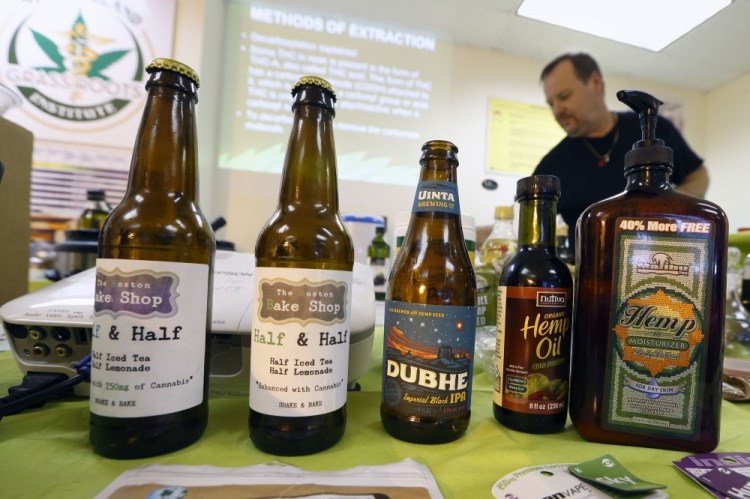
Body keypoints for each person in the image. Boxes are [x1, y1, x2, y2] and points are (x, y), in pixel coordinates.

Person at [533, 52, 709, 251]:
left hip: (656, 259)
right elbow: (520, 219)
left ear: (595, 83)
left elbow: (698, 175)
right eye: (551, 104)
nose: (557, 110)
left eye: (564, 97)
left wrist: (669, 206)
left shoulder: (652, 129)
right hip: (589, 274)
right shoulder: (552, 164)